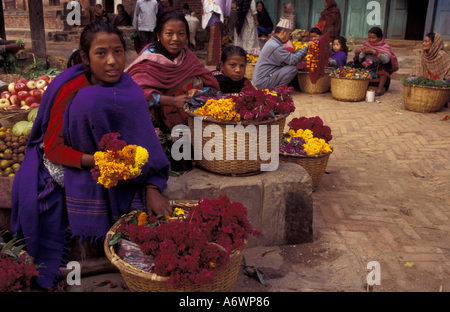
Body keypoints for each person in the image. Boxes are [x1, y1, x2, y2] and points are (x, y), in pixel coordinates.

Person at [10, 21, 171, 290]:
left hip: (116, 160)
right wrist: (98, 161)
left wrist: (152, 185)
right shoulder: (68, 87)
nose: (112, 62)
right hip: (74, 157)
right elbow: (53, 148)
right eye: (101, 53)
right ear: (85, 57)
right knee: (89, 100)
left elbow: (145, 142)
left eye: (118, 52)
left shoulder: (129, 88)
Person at [125, 10, 220, 133]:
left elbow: (210, 83)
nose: (175, 39)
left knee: (196, 81)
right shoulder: (149, 58)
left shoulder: (187, 56)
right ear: (159, 35)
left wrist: (199, 92)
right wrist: (172, 101)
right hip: (155, 120)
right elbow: (134, 93)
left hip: (185, 119)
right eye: (169, 33)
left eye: (181, 33)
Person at [252, 18, 310, 90]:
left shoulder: (273, 42)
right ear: (283, 32)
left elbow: (288, 58)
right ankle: (278, 90)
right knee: (292, 69)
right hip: (263, 82)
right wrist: (306, 47)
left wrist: (304, 56)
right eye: (289, 34)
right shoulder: (275, 45)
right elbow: (292, 60)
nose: (289, 38)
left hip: (260, 80)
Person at [353, 27, 399, 96]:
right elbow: (360, 60)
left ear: (379, 38)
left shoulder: (384, 46)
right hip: (368, 70)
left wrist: (374, 51)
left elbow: (386, 60)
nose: (370, 40)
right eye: (369, 37)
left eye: (373, 38)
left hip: (379, 75)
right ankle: (362, 86)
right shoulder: (366, 45)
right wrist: (357, 54)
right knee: (351, 64)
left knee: (385, 65)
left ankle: (380, 88)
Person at [202, 0, 232, 66]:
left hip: (210, 13)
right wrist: (227, 16)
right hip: (215, 13)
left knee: (213, 37)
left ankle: (211, 60)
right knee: (215, 38)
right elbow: (228, 4)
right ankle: (213, 61)